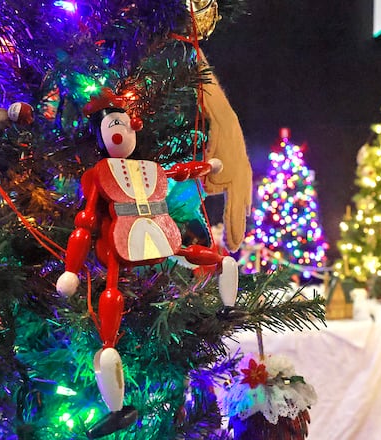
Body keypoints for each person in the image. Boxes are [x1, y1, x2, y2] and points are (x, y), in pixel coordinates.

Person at [56, 89, 238, 437]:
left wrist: (206, 167)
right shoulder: (100, 174)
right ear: (101, 134)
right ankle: (116, 406)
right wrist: (71, 268)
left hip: (160, 235)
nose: (121, 132)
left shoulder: (149, 169)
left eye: (125, 124)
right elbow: (86, 221)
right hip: (119, 243)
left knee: (217, 260)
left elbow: (177, 173)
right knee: (111, 298)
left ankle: (228, 307)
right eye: (113, 126)